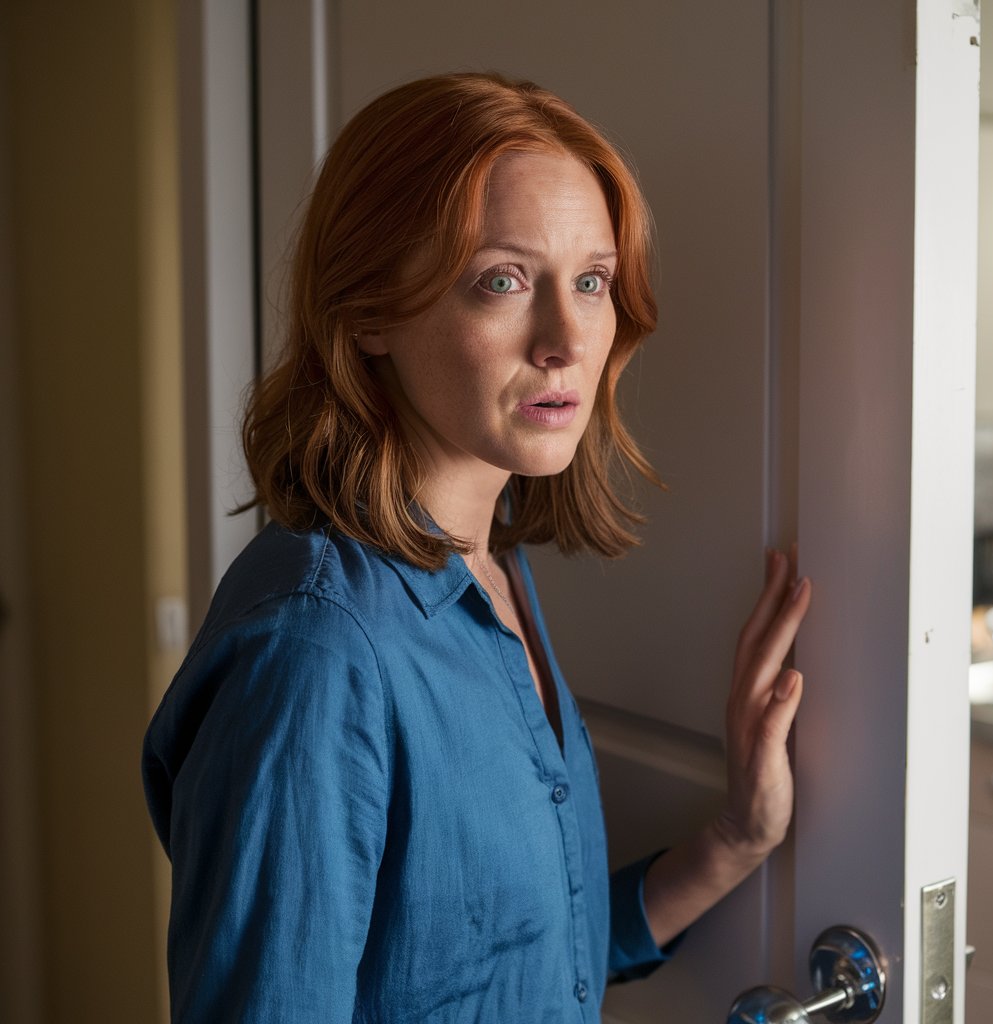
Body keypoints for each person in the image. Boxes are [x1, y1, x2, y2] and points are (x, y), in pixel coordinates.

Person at [142, 71, 810, 1023]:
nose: (567, 340)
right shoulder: (314, 655)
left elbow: (519, 966)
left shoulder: (491, 574)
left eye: (592, 282)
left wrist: (738, 839)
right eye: (503, 279)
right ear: (369, 312)